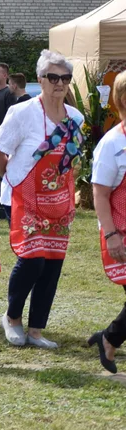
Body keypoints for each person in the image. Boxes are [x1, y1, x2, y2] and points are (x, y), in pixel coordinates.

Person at [0, 50, 84, 350]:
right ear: (40, 80)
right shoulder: (23, 112)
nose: (59, 83)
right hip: (24, 196)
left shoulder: (75, 118)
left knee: (53, 263)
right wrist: (11, 177)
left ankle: (36, 330)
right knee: (33, 260)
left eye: (65, 78)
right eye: (53, 77)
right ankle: (12, 317)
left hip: (59, 200)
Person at [88, 72, 126, 374]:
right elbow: (100, 194)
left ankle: (109, 337)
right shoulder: (112, 145)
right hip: (121, 232)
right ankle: (110, 340)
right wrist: (112, 235)